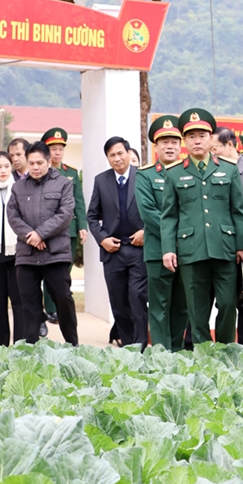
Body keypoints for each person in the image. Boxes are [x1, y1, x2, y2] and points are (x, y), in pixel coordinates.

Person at [161, 108, 243, 344]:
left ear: (211, 139)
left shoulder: (229, 169)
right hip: (192, 250)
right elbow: (169, 215)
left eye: (201, 136)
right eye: (191, 137)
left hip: (224, 247)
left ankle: (225, 351)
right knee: (197, 310)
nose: (197, 140)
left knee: (228, 304)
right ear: (184, 142)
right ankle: (203, 356)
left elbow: (238, 211)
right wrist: (169, 248)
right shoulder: (174, 173)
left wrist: (242, 246)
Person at [6, 141, 79, 345]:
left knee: (63, 299)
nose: (35, 167)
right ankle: (31, 347)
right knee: (28, 304)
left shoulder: (64, 183)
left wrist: (40, 234)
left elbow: (64, 215)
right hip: (27, 256)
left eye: (40, 162)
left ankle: (73, 345)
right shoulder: (18, 187)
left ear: (49, 161)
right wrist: (31, 235)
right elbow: (12, 215)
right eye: (32, 163)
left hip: (55, 254)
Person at [87, 137, 149, 347]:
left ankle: (140, 346)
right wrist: (102, 239)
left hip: (138, 250)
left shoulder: (143, 177)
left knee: (137, 298)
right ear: (108, 158)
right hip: (112, 252)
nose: (117, 158)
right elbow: (92, 216)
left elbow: (158, 210)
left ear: (129, 153)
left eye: (120, 153)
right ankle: (129, 345)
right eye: (112, 155)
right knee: (119, 302)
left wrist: (145, 232)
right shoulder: (101, 180)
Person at [135, 116, 189, 351]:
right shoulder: (145, 175)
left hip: (187, 251)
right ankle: (160, 354)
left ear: (181, 145)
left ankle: (176, 353)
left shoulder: (189, 172)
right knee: (158, 306)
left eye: (174, 142)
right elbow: (149, 213)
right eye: (164, 142)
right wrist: (177, 237)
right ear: (155, 147)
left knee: (182, 306)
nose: (170, 146)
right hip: (158, 252)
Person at [211, 127, 243, 348]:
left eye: (216, 150)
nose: (213, 155)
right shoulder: (212, 172)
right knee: (221, 303)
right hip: (218, 250)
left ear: (230, 145)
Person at [40, 128, 88, 330]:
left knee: (64, 272)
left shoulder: (71, 173)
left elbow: (79, 201)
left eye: (60, 149)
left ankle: (60, 307)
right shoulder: (42, 172)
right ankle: (50, 308)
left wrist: (82, 226)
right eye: (53, 148)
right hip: (48, 230)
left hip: (69, 230)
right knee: (48, 271)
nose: (57, 152)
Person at [0, 152, 27, 345]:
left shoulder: (20, 188)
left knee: (19, 300)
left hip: (17, 253)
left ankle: (20, 345)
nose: (3, 170)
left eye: (6, 166)